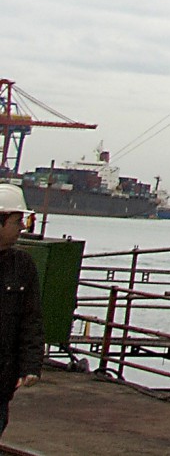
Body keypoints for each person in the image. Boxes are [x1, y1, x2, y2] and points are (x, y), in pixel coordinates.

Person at [0, 183, 43, 439]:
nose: (22, 228)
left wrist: (31, 366)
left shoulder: (23, 265)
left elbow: (31, 319)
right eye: (17, 220)